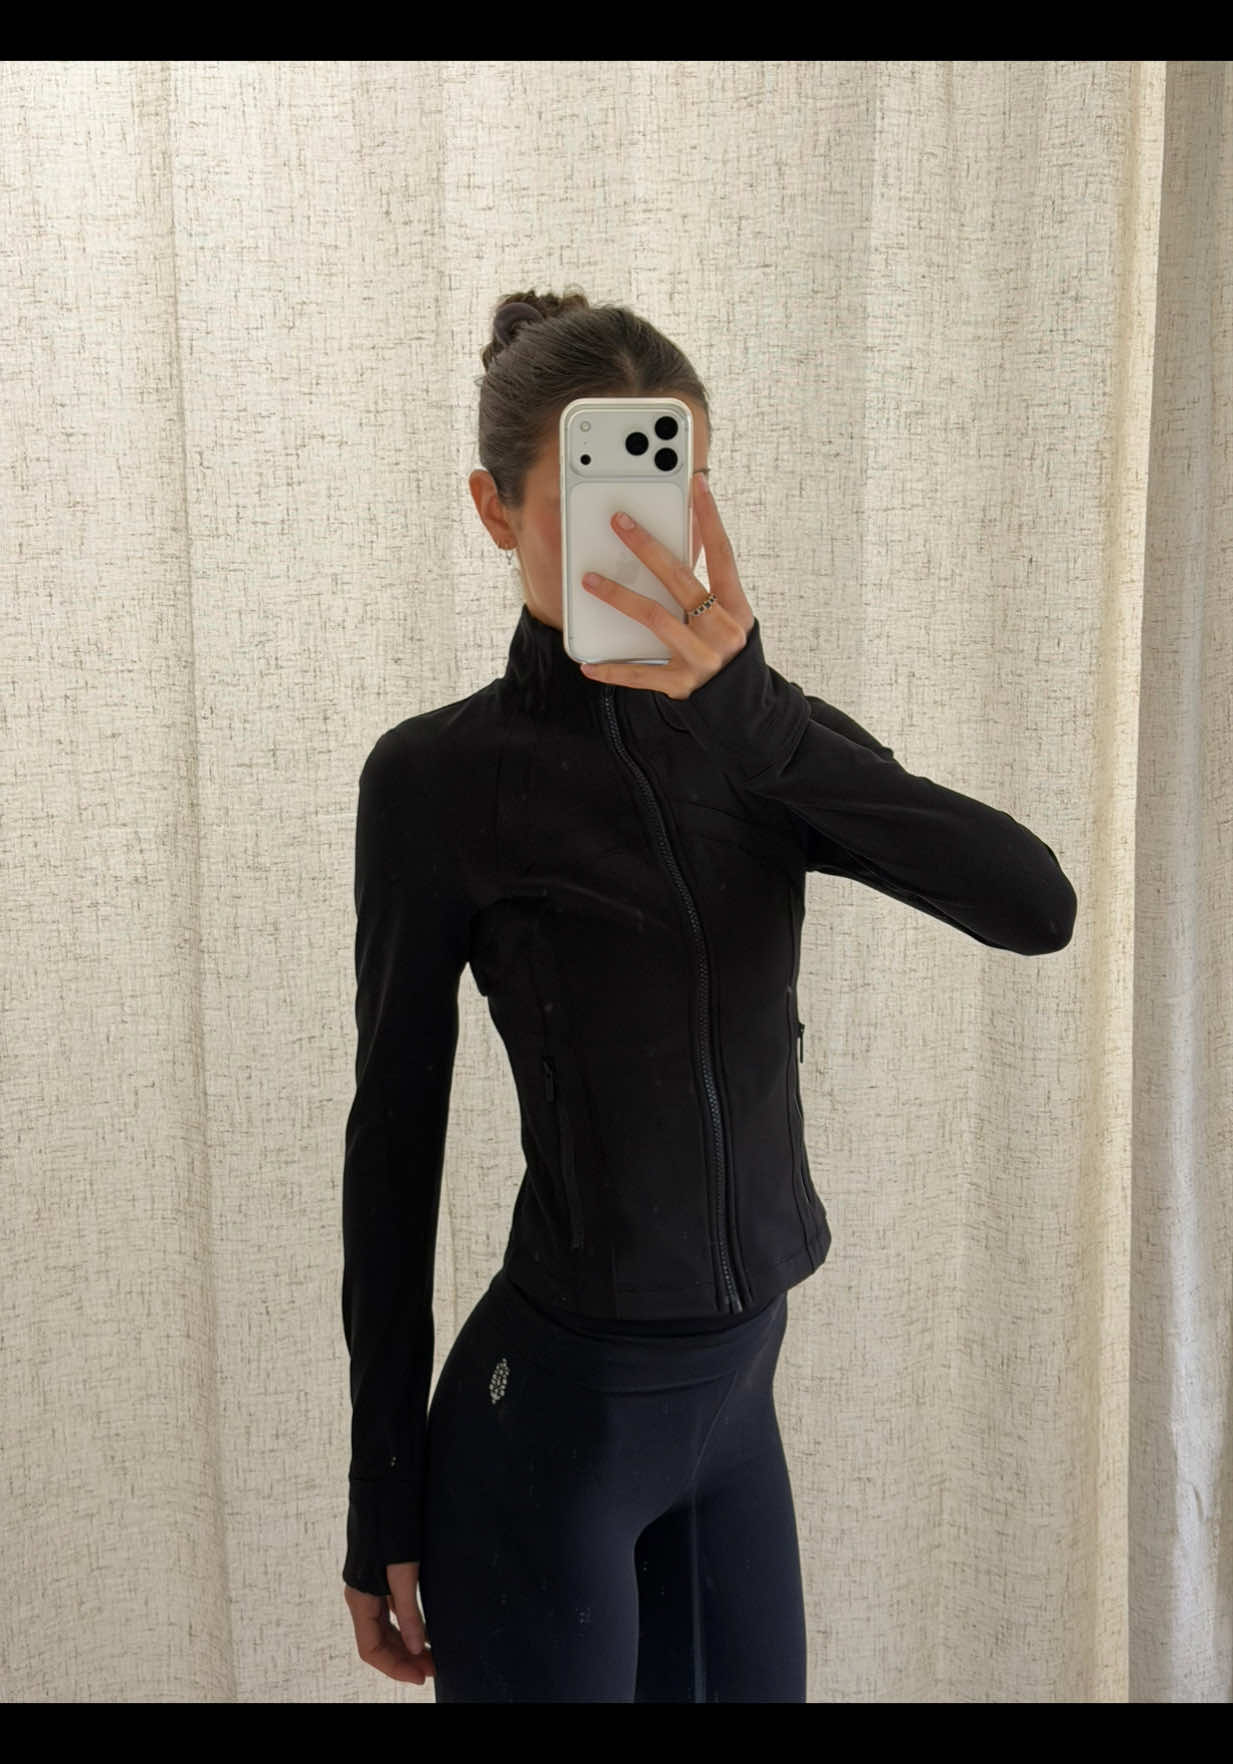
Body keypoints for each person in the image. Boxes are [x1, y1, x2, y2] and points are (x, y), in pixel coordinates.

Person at [340, 289, 1078, 1702]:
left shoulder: (765, 744)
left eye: (663, 489)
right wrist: (384, 1493)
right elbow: (391, 1145)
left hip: (737, 1420)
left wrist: (754, 712)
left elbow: (1033, 907)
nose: (635, 538)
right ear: (494, 512)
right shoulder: (437, 782)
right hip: (550, 1433)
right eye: (587, 496)